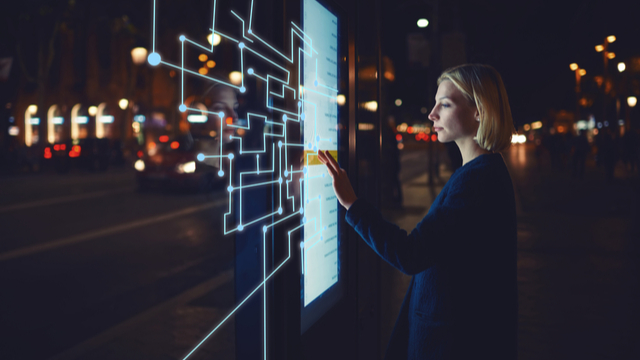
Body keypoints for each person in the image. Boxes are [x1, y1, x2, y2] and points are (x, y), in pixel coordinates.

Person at [318, 64, 518, 359]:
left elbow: (411, 254)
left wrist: (353, 205)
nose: (432, 114)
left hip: (453, 344)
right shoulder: (482, 172)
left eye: (445, 104)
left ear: (479, 111)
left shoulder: (476, 180)